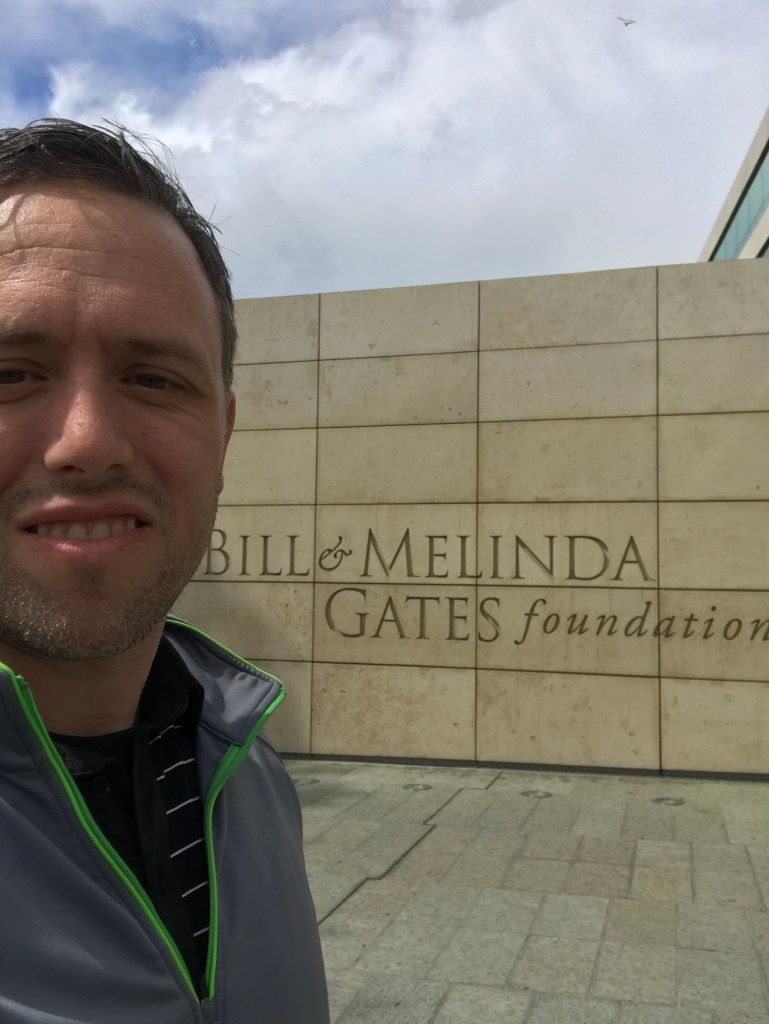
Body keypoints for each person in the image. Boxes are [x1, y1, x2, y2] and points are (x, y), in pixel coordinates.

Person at [0, 119, 329, 1023]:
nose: (88, 445)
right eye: (9, 374)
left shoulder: (251, 778)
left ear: (221, 434)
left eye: (153, 379)